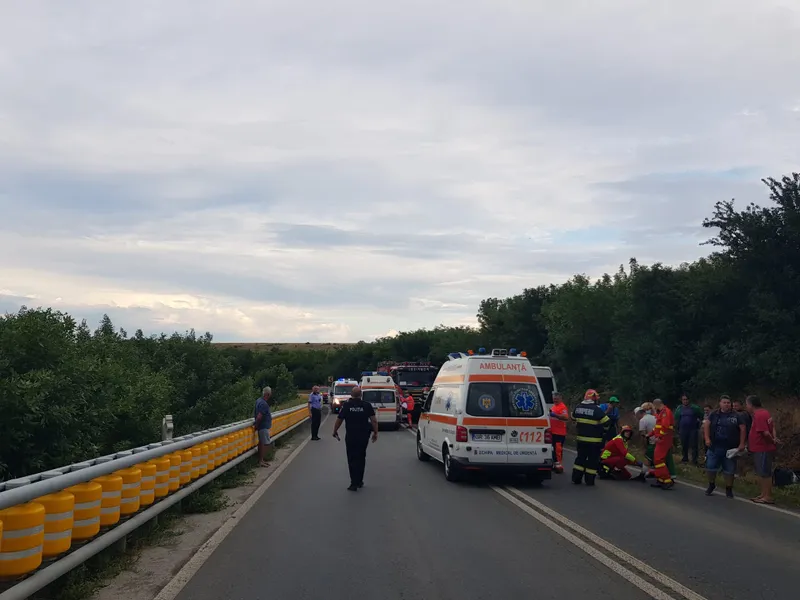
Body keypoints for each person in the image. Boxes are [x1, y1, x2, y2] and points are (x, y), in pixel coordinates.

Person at [332, 387, 379, 491]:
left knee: (352, 458)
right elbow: (374, 421)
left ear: (351, 395)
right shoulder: (367, 405)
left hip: (351, 436)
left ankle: (353, 483)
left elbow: (339, 419)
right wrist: (375, 432)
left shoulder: (346, 405)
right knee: (361, 457)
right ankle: (360, 481)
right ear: (361, 395)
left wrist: (335, 431)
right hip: (363, 436)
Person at [703, 394, 746, 498]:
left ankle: (729, 489)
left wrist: (741, 443)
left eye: (728, 403)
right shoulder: (714, 414)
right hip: (714, 446)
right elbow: (706, 425)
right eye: (724, 403)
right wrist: (707, 438)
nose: (727, 405)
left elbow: (743, 428)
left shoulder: (736, 415)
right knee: (710, 467)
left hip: (730, 448)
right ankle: (711, 485)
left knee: (729, 470)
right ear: (720, 403)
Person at [571, 389, 610, 486]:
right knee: (592, 461)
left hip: (580, 440)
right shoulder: (597, 410)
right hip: (594, 441)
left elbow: (573, 417)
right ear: (593, 398)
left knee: (580, 458)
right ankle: (589, 480)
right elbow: (607, 422)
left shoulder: (578, 407)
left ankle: (576, 478)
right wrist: (602, 430)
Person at [745, 395, 780, 504]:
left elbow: (765, 432)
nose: (746, 407)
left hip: (763, 448)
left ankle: (767, 496)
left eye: (747, 404)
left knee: (765, 473)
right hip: (760, 447)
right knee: (762, 472)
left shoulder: (759, 415)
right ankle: (763, 494)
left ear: (751, 404)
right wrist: (774, 438)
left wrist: (772, 441)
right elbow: (772, 427)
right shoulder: (765, 412)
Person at [650, 398, 675, 490]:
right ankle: (661, 479)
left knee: (658, 460)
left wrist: (660, 436)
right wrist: (650, 434)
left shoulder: (665, 412)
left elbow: (665, 426)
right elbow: (658, 427)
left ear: (656, 404)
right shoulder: (661, 412)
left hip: (663, 439)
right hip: (662, 439)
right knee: (659, 460)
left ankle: (667, 480)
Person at [674, 394, 703, 465]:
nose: (685, 401)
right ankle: (685, 458)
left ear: (689, 400)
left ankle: (694, 460)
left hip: (693, 429)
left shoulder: (695, 408)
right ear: (682, 400)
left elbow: (701, 416)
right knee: (684, 444)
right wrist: (676, 429)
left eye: (686, 399)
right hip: (683, 429)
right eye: (684, 399)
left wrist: (699, 424)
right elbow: (676, 419)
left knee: (694, 445)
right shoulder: (679, 409)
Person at [549, 392, 569, 473]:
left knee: (558, 449)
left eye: (557, 399)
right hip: (553, 432)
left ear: (560, 399)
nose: (555, 400)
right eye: (554, 399)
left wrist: (555, 415)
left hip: (559, 432)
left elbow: (565, 417)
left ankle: (559, 466)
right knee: (553, 449)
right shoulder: (554, 406)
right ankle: (555, 464)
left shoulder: (562, 407)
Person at [253, 386, 273, 467]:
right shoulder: (264, 404)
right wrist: (256, 425)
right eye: (270, 394)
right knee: (266, 443)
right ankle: (261, 460)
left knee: (261, 443)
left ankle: (261, 460)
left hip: (261, 426)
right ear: (267, 394)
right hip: (263, 426)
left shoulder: (258, 400)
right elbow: (259, 416)